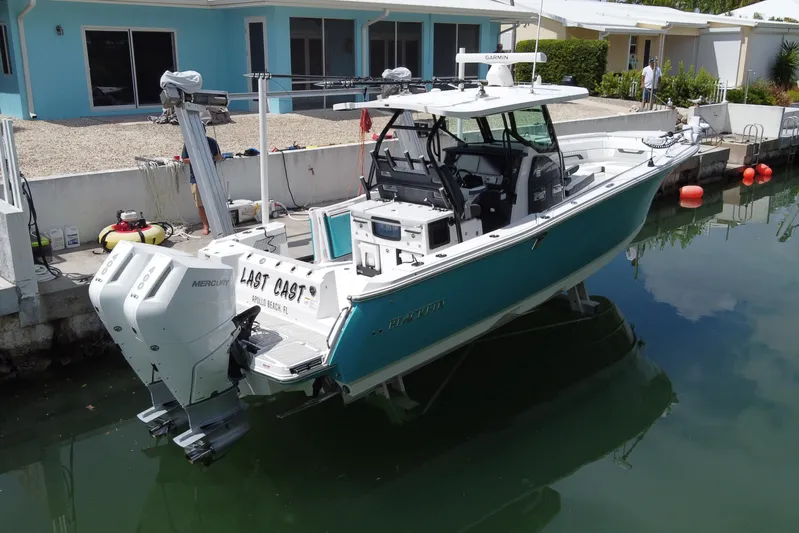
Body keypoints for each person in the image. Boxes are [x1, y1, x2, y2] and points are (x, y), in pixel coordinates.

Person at [181, 124, 222, 235]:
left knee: (214, 201)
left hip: (211, 176)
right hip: (196, 179)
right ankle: (205, 226)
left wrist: (209, 157)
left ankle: (217, 223)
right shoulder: (189, 144)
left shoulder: (211, 142)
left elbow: (219, 157)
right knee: (200, 204)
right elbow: (184, 160)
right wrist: (197, 158)